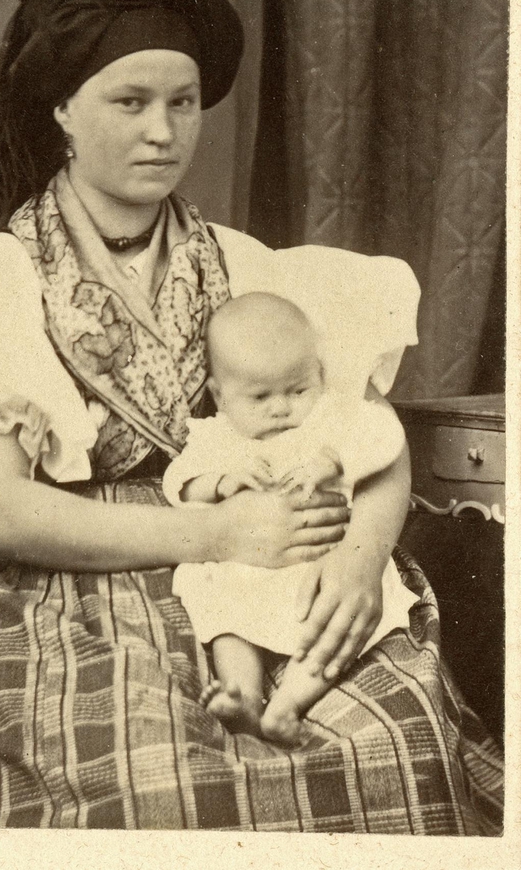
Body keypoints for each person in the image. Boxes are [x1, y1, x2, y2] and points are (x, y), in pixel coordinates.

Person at [0, 0, 502, 832]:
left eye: (182, 103)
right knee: (144, 776)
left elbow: (370, 439)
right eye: (130, 103)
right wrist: (217, 531)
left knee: (386, 740)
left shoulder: (248, 268)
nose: (162, 132)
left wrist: (357, 564)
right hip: (62, 580)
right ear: (61, 111)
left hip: (274, 565)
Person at [164, 292, 421, 746]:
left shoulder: (331, 420)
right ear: (219, 396)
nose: (281, 408)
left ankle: (287, 706)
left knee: (337, 622)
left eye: (298, 390)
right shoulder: (218, 436)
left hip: (322, 562)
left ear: (318, 375)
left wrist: (336, 461)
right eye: (260, 397)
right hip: (247, 567)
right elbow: (179, 482)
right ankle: (242, 693)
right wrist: (221, 482)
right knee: (216, 599)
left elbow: (386, 437)